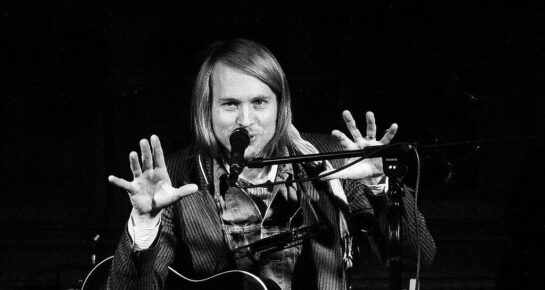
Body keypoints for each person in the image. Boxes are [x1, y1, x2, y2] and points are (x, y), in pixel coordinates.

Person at [106, 39, 435, 290]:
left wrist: (380, 186)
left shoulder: (329, 159)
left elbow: (416, 258)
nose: (245, 120)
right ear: (206, 109)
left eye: (259, 102)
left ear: (280, 106)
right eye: (230, 104)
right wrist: (144, 224)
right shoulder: (179, 176)